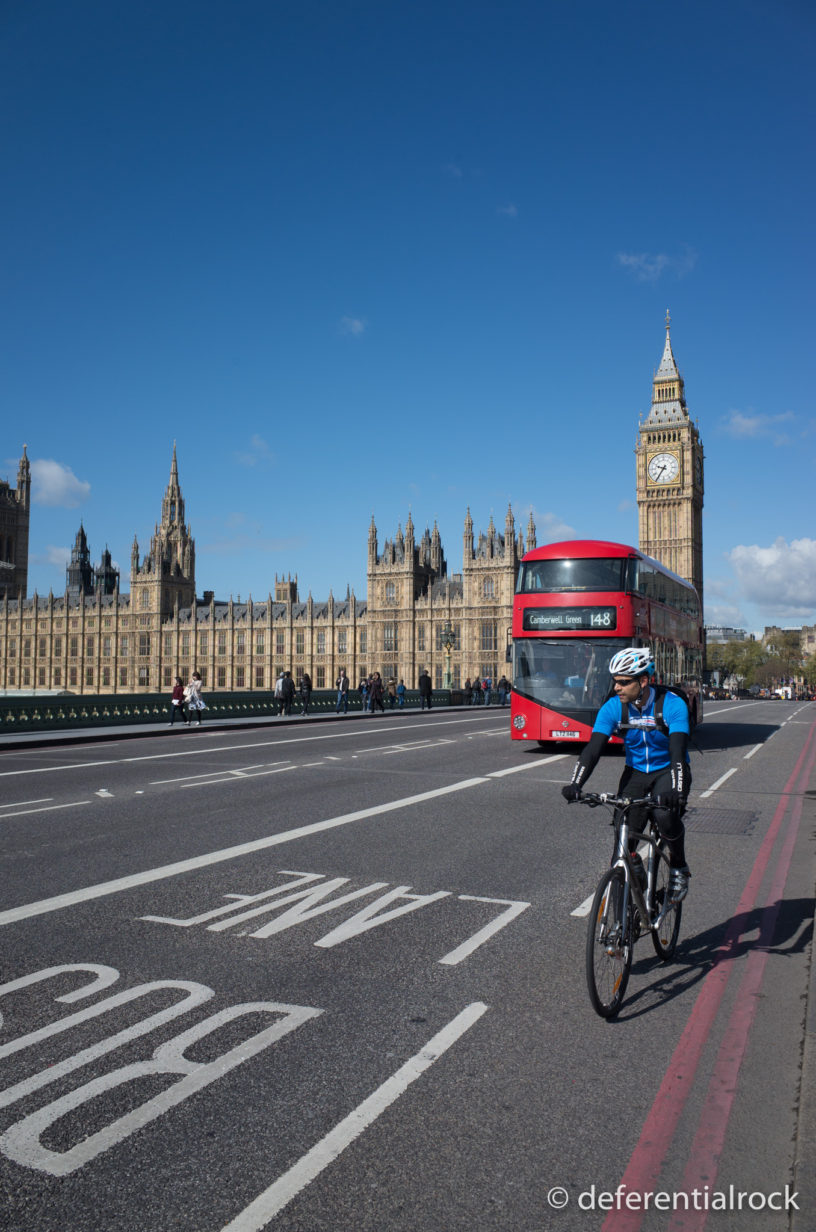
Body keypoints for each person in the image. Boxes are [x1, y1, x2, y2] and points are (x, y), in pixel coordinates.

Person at [561, 647, 692, 903]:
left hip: (668, 770)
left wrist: (676, 792)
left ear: (643, 681)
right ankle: (626, 900)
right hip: (636, 772)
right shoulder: (613, 707)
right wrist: (575, 784)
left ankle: (679, 866)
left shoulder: (672, 704)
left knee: (665, 815)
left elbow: (678, 751)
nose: (617, 687)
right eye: (615, 681)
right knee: (623, 837)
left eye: (623, 682)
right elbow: (593, 749)